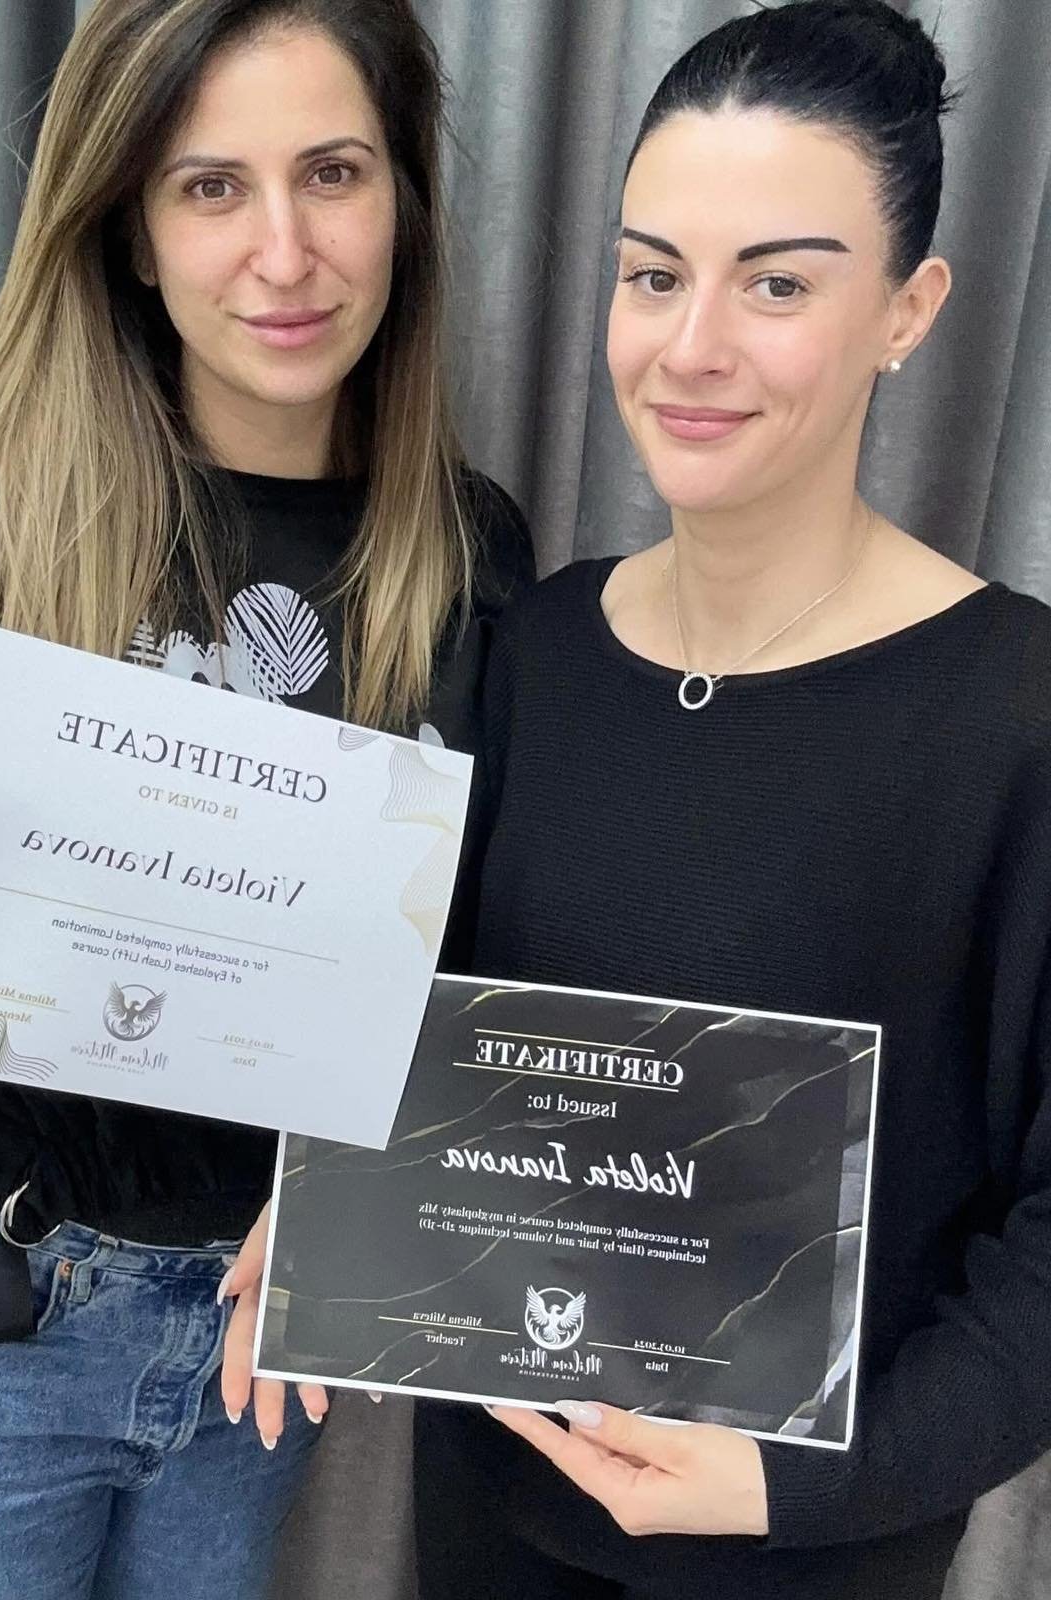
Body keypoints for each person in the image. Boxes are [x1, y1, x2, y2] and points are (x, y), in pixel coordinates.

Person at [0, 1, 531, 1595]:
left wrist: (371, 1200)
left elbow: (461, 956)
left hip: (256, 1350)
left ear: (404, 200)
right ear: (130, 228)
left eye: (333, 173)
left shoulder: (468, 554)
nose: (284, 253)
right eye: (210, 187)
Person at [413, 3, 1051, 1598]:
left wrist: (804, 1484)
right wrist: (326, 1215)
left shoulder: (1019, 712)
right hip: (491, 1518)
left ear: (908, 311)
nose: (691, 346)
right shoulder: (532, 653)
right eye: (653, 274)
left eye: (778, 284)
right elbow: (425, 1061)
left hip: (808, 1555)